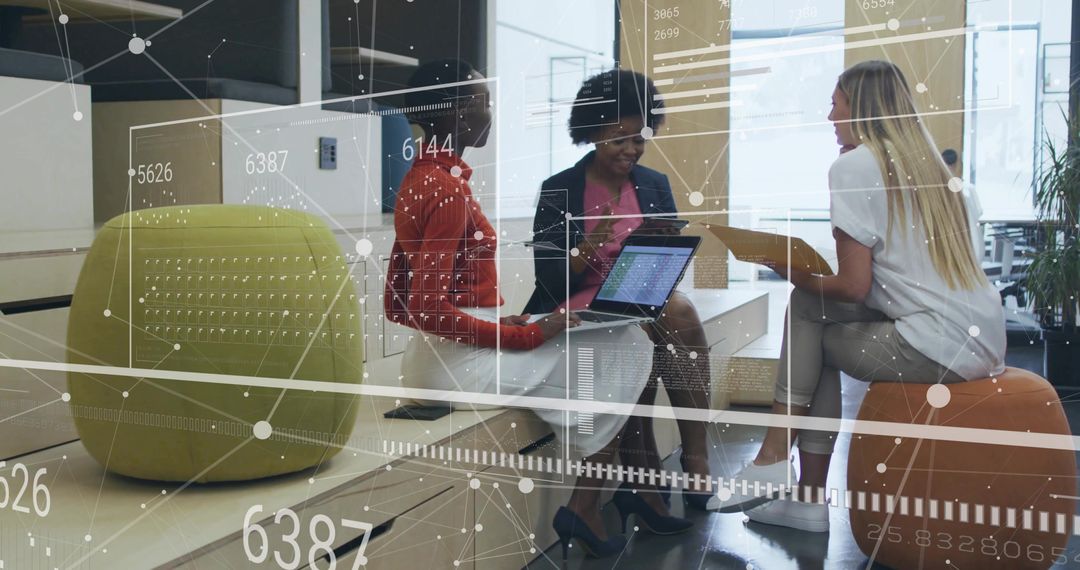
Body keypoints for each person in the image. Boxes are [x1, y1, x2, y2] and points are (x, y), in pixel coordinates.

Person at [385, 60, 691, 562]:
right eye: (483, 101)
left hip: (435, 356)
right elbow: (427, 308)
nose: (489, 111)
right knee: (631, 345)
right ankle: (588, 504)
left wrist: (498, 322)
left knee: (622, 342)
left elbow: (402, 302)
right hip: (453, 367)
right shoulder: (443, 189)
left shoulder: (424, 179)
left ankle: (592, 501)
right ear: (460, 111)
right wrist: (532, 332)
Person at [708, 60, 1007, 533]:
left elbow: (853, 287)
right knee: (815, 323)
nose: (829, 117)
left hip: (935, 346)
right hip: (984, 342)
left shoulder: (854, 166)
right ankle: (799, 493)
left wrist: (792, 272)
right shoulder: (946, 179)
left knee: (810, 315)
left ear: (862, 108)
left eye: (835, 104)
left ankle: (780, 466)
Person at [524, 69, 715, 510]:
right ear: (591, 135)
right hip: (575, 303)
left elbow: (668, 270)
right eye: (619, 140)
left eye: (639, 139)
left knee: (677, 313)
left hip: (641, 294)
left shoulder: (653, 185)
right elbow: (548, 279)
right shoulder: (560, 191)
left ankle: (695, 454)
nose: (631, 150)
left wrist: (663, 245)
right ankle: (643, 469)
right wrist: (588, 246)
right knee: (643, 329)